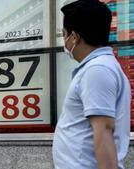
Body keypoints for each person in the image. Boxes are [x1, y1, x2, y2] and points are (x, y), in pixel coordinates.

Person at [52, 0, 131, 169]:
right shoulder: (99, 67)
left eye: (64, 34)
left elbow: (104, 132)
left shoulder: (97, 70)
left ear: (74, 37)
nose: (64, 40)